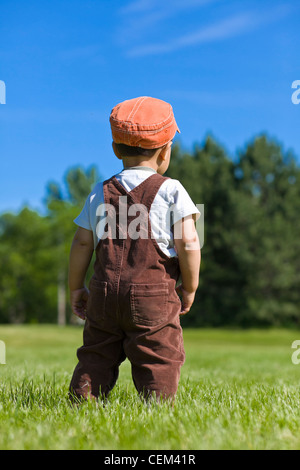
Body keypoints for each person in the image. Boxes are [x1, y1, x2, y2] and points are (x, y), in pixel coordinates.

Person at [68, 96, 201, 402]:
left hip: (103, 293)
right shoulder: (171, 190)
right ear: (165, 151)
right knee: (158, 355)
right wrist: (190, 287)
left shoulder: (100, 191)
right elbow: (190, 241)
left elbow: (82, 242)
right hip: (153, 295)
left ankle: (83, 400)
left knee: (97, 353)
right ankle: (155, 406)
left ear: (116, 148)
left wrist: (77, 287)